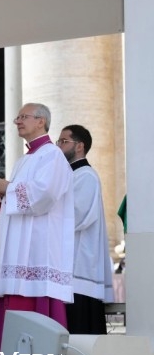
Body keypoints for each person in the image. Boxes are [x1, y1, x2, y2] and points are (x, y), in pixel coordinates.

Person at [0, 103, 74, 355]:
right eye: (17, 117)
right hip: (18, 246)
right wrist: (2, 192)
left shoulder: (52, 155)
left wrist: (9, 188)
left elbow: (44, 195)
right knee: (14, 294)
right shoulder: (24, 160)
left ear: (41, 121)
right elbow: (17, 198)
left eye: (23, 117)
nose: (17, 122)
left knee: (35, 295)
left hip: (39, 246)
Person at [57, 124, 114, 334]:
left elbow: (77, 215)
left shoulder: (86, 175)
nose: (59, 146)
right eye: (58, 141)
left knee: (80, 333)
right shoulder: (69, 175)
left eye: (64, 141)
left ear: (79, 146)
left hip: (80, 267)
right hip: (68, 266)